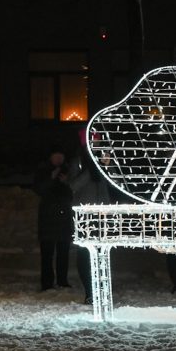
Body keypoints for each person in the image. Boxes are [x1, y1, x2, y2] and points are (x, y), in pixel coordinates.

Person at [67, 127, 109, 304]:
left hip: (102, 213)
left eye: (97, 142)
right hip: (84, 214)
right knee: (85, 253)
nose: (95, 145)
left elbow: (113, 184)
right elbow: (73, 186)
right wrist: (89, 171)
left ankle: (101, 289)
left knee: (102, 251)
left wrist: (106, 168)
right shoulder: (77, 162)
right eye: (92, 142)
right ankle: (89, 292)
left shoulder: (103, 159)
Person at [34, 146, 74, 291]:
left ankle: (62, 281)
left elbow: (73, 192)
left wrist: (67, 182)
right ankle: (47, 283)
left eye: (60, 156)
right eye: (55, 156)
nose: (58, 159)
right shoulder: (43, 170)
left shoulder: (69, 171)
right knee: (47, 253)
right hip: (48, 217)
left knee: (63, 251)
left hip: (64, 217)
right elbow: (39, 189)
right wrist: (51, 178)